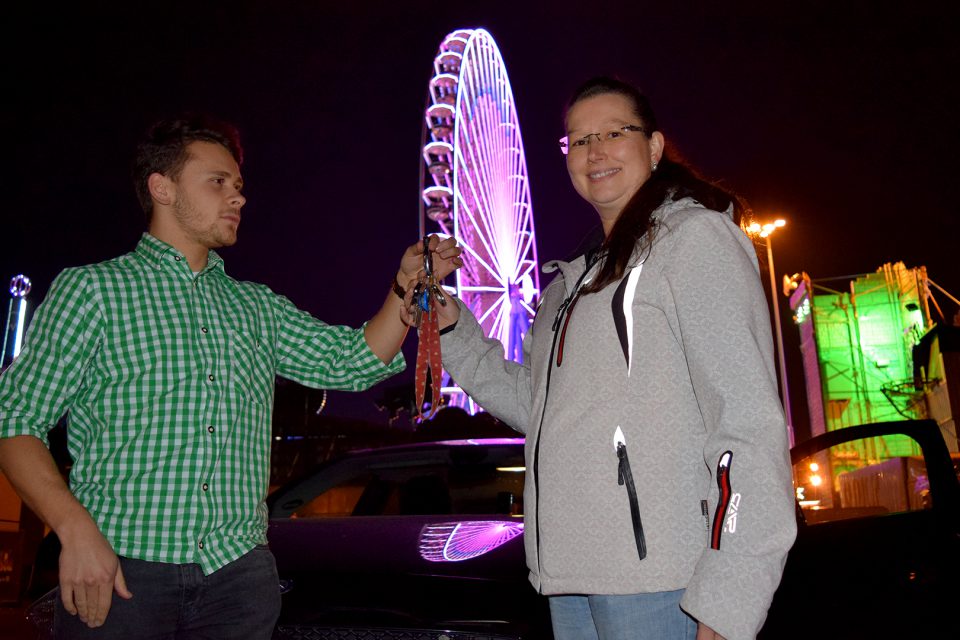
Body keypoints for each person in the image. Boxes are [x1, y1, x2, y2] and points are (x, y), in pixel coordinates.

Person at [0, 114, 461, 639]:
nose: (238, 197)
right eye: (218, 182)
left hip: (238, 579)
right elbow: (15, 420)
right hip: (122, 571)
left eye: (239, 186)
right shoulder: (93, 292)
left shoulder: (255, 306)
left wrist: (403, 288)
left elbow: (350, 360)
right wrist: (75, 531)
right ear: (162, 188)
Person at [422, 77, 796, 639]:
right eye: (578, 139)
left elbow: (747, 423)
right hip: (570, 579)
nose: (594, 151)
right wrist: (452, 329)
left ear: (654, 146)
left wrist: (730, 595)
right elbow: (541, 409)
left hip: (663, 582)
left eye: (613, 133)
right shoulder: (569, 285)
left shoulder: (696, 242)